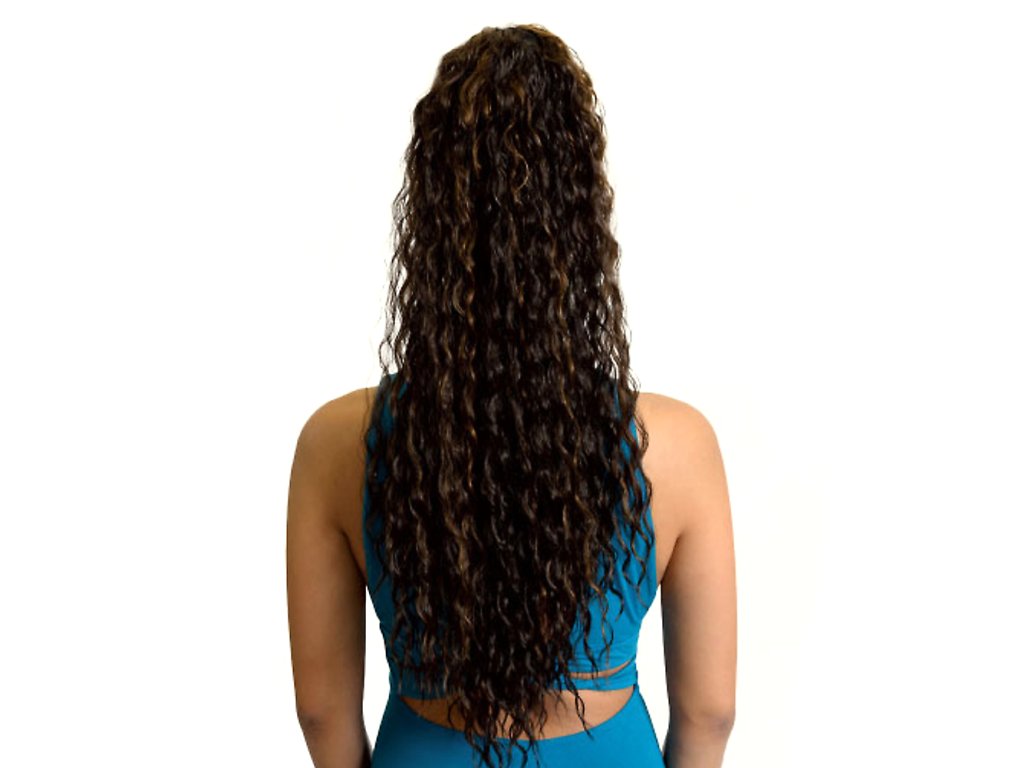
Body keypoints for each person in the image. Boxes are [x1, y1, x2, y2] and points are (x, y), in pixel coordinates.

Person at [287, 23, 736, 768]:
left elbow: (320, 712)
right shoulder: (677, 445)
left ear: (431, 217)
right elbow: (710, 714)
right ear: (581, 220)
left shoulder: (337, 442)